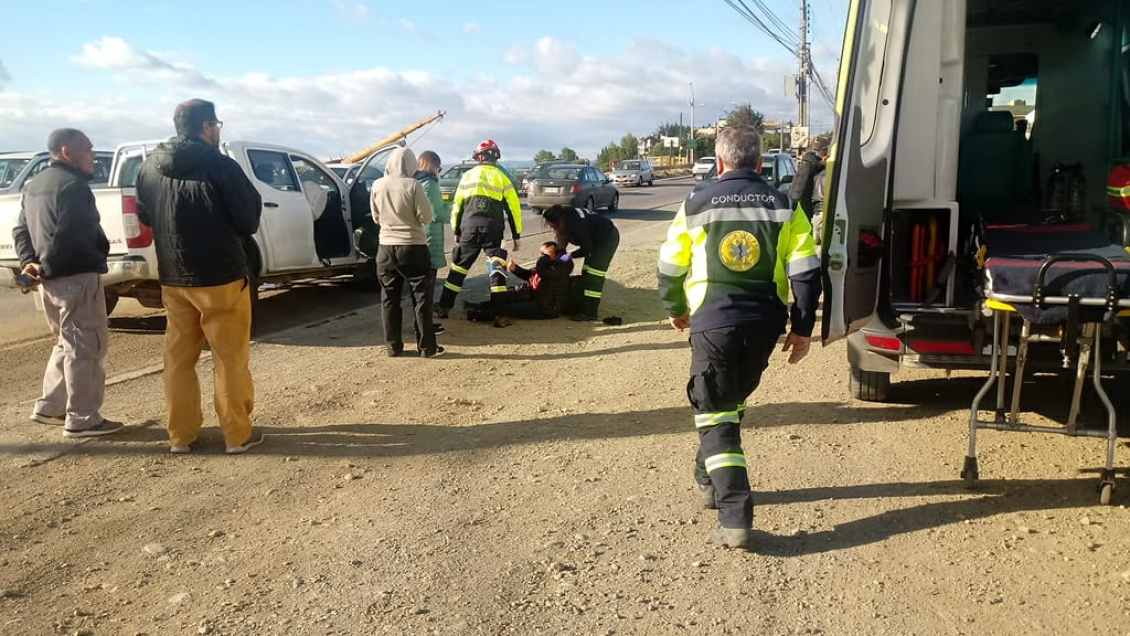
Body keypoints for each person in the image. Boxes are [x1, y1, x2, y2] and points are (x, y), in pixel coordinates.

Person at [657, 125, 821, 550]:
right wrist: (802, 329)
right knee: (725, 404)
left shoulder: (696, 203)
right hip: (764, 326)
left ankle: (735, 516)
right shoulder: (785, 204)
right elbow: (805, 272)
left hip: (713, 322)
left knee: (716, 417)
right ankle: (705, 480)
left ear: (720, 162)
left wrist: (676, 309)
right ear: (761, 163)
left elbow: (670, 267)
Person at [135, 98, 264, 455]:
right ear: (207, 127)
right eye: (217, 124)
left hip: (174, 278)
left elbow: (146, 216)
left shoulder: (149, 168)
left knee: (178, 359)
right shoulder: (221, 167)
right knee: (229, 358)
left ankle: (181, 435)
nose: (219, 130)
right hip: (221, 275)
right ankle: (237, 434)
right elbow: (248, 220)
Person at [12, 128, 123, 438]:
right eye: (87, 149)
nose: (92, 155)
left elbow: (20, 230)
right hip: (74, 276)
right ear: (66, 152)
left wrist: (30, 264)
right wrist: (48, 266)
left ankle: (50, 407)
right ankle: (83, 418)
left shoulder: (35, 185)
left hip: (50, 280)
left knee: (66, 342)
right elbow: (72, 235)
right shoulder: (74, 187)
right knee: (86, 347)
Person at [433, 139, 523, 328]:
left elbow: (457, 206)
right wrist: (516, 235)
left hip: (469, 229)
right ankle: (501, 316)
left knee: (458, 269)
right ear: (496, 156)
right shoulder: (502, 178)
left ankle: (443, 307)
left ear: (478, 157)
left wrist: (456, 230)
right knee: (497, 272)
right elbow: (514, 209)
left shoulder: (467, 176)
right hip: (493, 231)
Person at [370, 146, 443, 358]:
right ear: (411, 164)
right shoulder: (413, 185)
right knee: (421, 298)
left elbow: (376, 217)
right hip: (412, 246)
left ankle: (393, 347)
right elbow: (426, 217)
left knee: (389, 298)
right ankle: (426, 347)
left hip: (385, 247)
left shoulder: (377, 185)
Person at [541, 204, 620, 321]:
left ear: (557, 222)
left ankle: (590, 313)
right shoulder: (566, 216)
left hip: (606, 239)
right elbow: (564, 241)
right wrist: (558, 254)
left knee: (594, 276)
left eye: (551, 225)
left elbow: (587, 249)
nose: (551, 228)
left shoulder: (576, 226)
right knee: (586, 272)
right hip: (594, 241)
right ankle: (582, 306)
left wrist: (569, 256)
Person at [464, 241, 574, 322]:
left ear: (554, 255)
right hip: (535, 297)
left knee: (509, 309)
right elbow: (531, 275)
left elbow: (542, 272)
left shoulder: (561, 267)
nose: (541, 256)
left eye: (544, 254)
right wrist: (516, 269)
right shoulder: (548, 264)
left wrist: (545, 257)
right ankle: (479, 305)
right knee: (505, 297)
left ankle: (479, 315)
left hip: (545, 308)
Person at [414, 150, 450, 336]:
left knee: (420, 287)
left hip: (418, 237)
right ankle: (424, 327)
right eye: (439, 167)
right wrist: (451, 206)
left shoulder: (414, 182)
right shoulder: (430, 184)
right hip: (430, 238)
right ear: (433, 165)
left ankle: (422, 324)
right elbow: (438, 214)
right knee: (427, 286)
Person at [789, 137, 826, 219]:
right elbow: (798, 194)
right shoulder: (808, 168)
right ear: (823, 153)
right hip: (803, 214)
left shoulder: (815, 167)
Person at [809, 144, 830, 244]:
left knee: (814, 248)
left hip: (816, 214)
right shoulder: (833, 177)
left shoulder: (816, 176)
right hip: (827, 214)